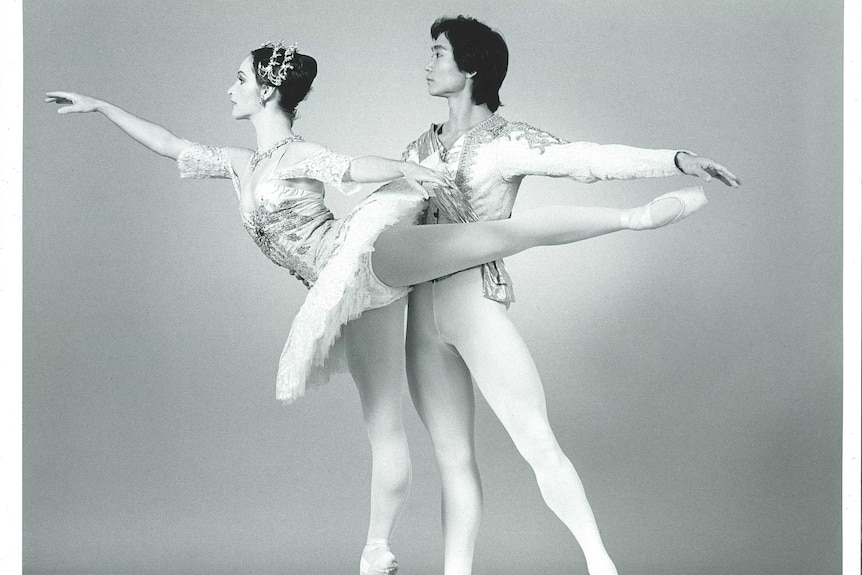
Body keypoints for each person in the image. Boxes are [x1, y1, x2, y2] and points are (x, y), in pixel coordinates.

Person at [48, 41, 718, 575]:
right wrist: (102, 106)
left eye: (238, 78)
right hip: (344, 294)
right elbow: (170, 144)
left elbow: (351, 166)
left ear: (267, 89)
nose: (229, 88)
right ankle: (376, 551)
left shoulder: (307, 152)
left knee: (500, 237)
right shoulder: (238, 162)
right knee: (389, 431)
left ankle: (634, 220)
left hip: (370, 257)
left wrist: (673, 159)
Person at [401, 16, 741, 575]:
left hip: (473, 303)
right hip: (420, 315)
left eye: (438, 52)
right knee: (451, 457)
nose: (428, 62)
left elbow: (588, 160)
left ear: (472, 67)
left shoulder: (509, 141)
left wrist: (674, 159)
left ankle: (600, 564)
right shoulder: (417, 147)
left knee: (536, 439)